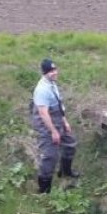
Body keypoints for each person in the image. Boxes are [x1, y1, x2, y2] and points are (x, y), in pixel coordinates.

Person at [29, 58, 78, 193]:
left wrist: (65, 121)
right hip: (47, 125)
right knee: (50, 156)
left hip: (57, 119)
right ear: (44, 73)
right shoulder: (42, 90)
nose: (55, 73)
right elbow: (44, 114)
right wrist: (53, 132)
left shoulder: (52, 84)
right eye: (51, 71)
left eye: (55, 70)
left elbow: (58, 105)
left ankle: (65, 172)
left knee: (70, 144)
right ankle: (44, 190)